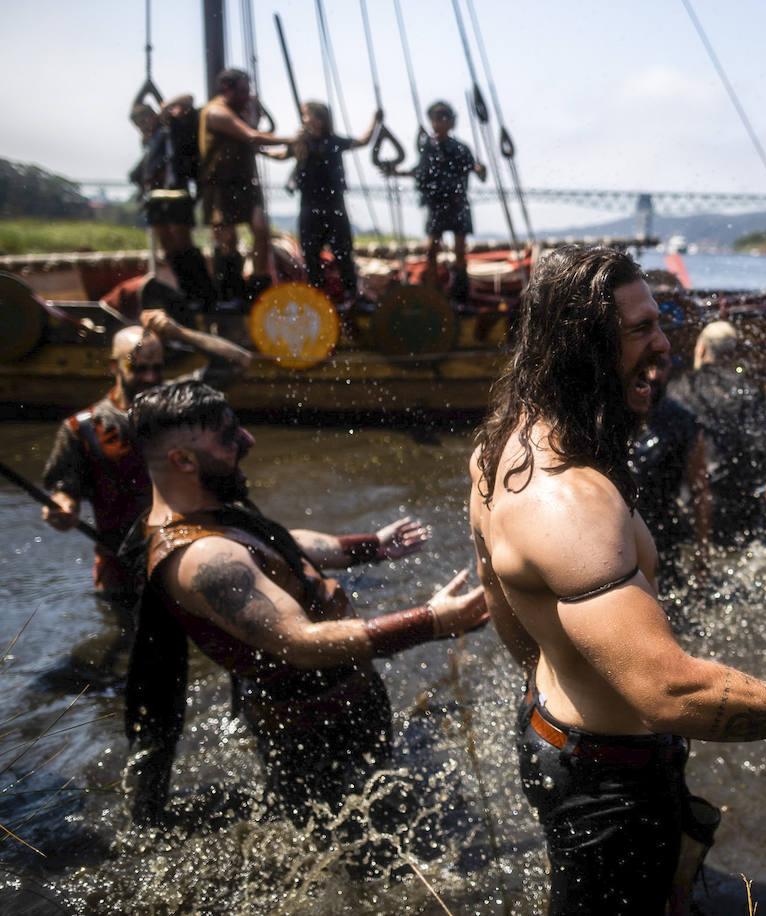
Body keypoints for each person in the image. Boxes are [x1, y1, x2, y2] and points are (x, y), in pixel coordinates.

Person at [466, 246, 766, 914]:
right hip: (608, 784)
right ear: (578, 347)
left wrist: (557, 675)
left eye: (662, 320)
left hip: (558, 738)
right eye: (639, 331)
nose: (665, 346)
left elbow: (495, 589)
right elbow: (670, 692)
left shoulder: (501, 446)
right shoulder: (570, 503)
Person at [123, 379, 489, 832]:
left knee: (381, 812)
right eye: (228, 436)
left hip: (342, 707)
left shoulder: (205, 513)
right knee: (349, 845)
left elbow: (278, 547)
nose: (248, 441)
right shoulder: (202, 558)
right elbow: (301, 645)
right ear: (182, 460)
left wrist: (369, 546)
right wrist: (430, 622)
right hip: (312, 734)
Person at [41, 313, 252, 611]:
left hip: (188, 556)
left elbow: (238, 361)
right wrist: (63, 509)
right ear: (114, 366)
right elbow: (64, 491)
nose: (151, 379)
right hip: (122, 570)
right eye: (139, 369)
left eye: (157, 368)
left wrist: (180, 332)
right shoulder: (81, 429)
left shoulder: (178, 409)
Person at [667, 320, 766, 544]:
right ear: (732, 354)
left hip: (690, 504)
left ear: (701, 348)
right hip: (738, 507)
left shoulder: (677, 390)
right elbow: (763, 447)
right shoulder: (749, 392)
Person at [267, 102, 383, 309]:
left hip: (334, 206)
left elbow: (362, 141)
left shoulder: (335, 141)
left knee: (342, 251)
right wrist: (257, 148)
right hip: (310, 206)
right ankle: (316, 296)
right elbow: (281, 155)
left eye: (307, 115)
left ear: (319, 119)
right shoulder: (301, 143)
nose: (304, 119)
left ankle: (351, 295)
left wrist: (375, 121)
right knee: (311, 253)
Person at [198, 68, 292, 304]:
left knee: (261, 229)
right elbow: (251, 137)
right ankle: (230, 292)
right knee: (227, 238)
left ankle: (259, 287)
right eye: (243, 91)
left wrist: (255, 113)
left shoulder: (241, 111)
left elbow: (253, 139)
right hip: (220, 184)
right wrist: (295, 139)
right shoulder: (217, 112)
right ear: (227, 89)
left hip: (245, 180)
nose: (247, 95)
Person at [389, 101, 488, 307]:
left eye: (442, 119)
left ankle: (460, 295)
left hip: (458, 204)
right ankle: (433, 293)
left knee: (459, 250)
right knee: (431, 250)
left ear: (450, 122)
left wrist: (480, 169)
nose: (438, 124)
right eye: (435, 120)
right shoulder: (428, 148)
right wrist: (397, 173)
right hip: (437, 207)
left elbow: (479, 173)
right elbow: (420, 171)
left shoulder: (460, 148)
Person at [628, 357, 711, 595]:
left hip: (663, 536)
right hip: (617, 534)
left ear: (670, 370)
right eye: (646, 367)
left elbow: (700, 491)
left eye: (660, 367)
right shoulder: (609, 416)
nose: (652, 376)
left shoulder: (683, 421)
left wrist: (702, 556)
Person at [129, 95, 216, 311]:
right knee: (168, 246)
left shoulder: (172, 128)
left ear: (154, 116)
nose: (144, 125)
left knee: (183, 243)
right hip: (155, 197)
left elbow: (187, 98)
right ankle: (187, 293)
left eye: (146, 119)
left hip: (177, 192)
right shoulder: (148, 141)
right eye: (139, 123)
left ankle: (204, 294)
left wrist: (164, 109)